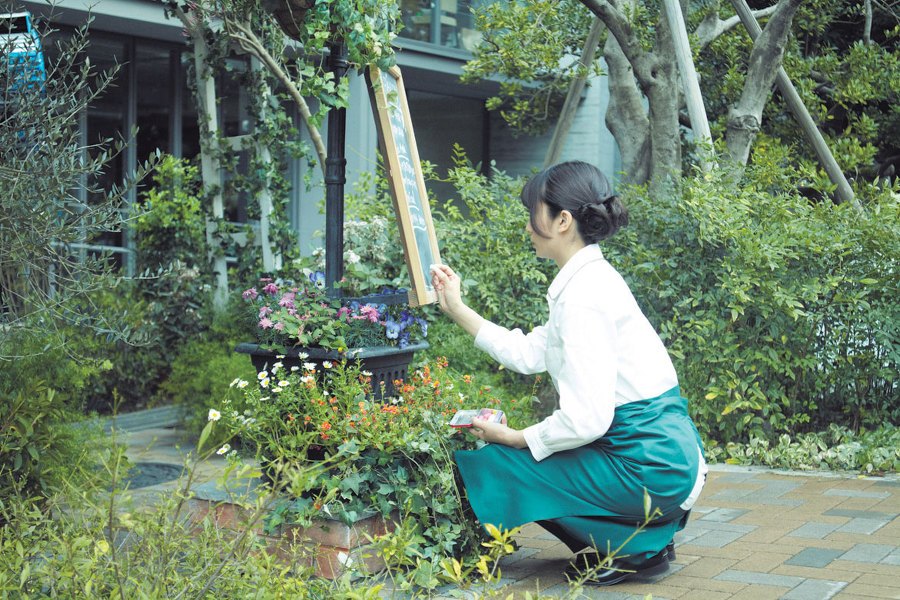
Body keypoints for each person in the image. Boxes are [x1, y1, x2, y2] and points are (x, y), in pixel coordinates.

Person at [430, 161, 707, 586]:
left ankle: (635, 548)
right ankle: (647, 538)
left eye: (533, 214)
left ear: (562, 221)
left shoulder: (582, 298)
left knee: (499, 462)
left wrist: (516, 437)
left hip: (648, 466)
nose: (528, 226)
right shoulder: (590, 281)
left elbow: (586, 420)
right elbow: (528, 353)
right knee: (538, 454)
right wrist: (457, 308)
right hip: (665, 457)